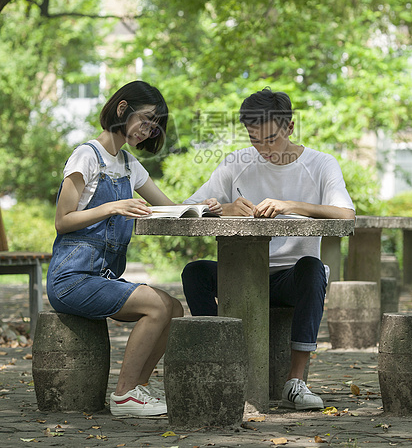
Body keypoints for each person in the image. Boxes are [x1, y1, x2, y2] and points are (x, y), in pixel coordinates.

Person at [47, 80, 221, 418]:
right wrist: (113, 207)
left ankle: (135, 389)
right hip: (70, 279)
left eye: (154, 126)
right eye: (146, 120)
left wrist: (205, 207)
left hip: (103, 278)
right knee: (157, 305)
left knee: (173, 308)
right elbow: (63, 220)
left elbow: (169, 208)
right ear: (123, 109)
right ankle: (124, 394)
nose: (148, 130)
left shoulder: (128, 165)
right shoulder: (87, 156)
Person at [181, 87, 355, 411]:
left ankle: (296, 382)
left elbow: (346, 214)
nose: (263, 149)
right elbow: (190, 206)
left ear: (289, 127)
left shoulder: (320, 164)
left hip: (291, 278)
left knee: (313, 269)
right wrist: (225, 208)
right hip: (243, 273)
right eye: (254, 139)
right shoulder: (237, 162)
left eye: (271, 139)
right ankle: (223, 366)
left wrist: (291, 205)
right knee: (195, 273)